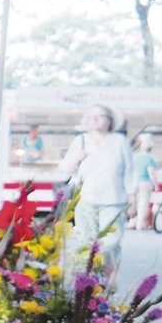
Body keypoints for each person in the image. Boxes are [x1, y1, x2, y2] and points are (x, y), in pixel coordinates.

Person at [61, 104, 134, 278]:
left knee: (112, 240)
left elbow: (130, 172)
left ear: (109, 120)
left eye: (99, 116)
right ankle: (89, 279)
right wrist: (77, 158)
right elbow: (66, 169)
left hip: (114, 200)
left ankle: (109, 276)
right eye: (90, 117)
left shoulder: (119, 141)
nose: (94, 120)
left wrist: (133, 200)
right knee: (86, 239)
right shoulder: (81, 140)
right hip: (85, 198)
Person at [131, 134, 158, 231]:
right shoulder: (151, 158)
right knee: (143, 204)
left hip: (134, 182)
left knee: (135, 202)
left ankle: (132, 223)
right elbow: (151, 173)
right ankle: (140, 225)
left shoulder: (135, 157)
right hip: (145, 182)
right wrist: (156, 185)